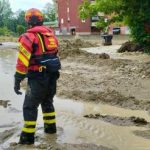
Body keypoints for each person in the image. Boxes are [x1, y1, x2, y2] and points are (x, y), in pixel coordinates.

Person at [14, 8, 61, 145]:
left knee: (30, 106)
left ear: (27, 20)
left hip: (37, 77)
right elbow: (54, 53)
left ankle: (27, 139)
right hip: (52, 75)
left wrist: (17, 79)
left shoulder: (28, 37)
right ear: (42, 19)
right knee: (47, 102)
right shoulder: (51, 36)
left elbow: (22, 61)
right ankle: (51, 130)